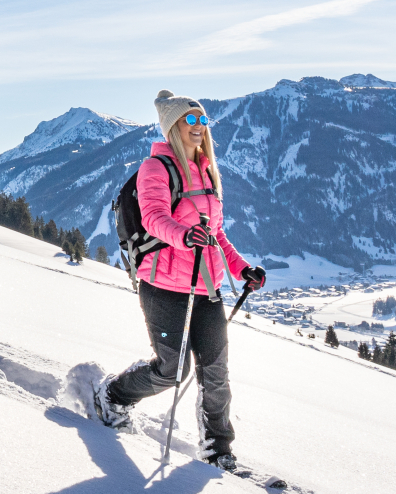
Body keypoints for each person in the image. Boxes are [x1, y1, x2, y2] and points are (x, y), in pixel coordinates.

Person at [91, 89, 267, 471]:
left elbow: (217, 235)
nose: (199, 127)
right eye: (191, 120)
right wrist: (184, 236)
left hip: (206, 288)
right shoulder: (157, 168)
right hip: (164, 286)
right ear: (173, 126)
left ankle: (218, 450)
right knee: (172, 370)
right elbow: (154, 218)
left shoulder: (206, 172)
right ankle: (114, 395)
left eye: (203, 120)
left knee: (216, 372)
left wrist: (242, 270)